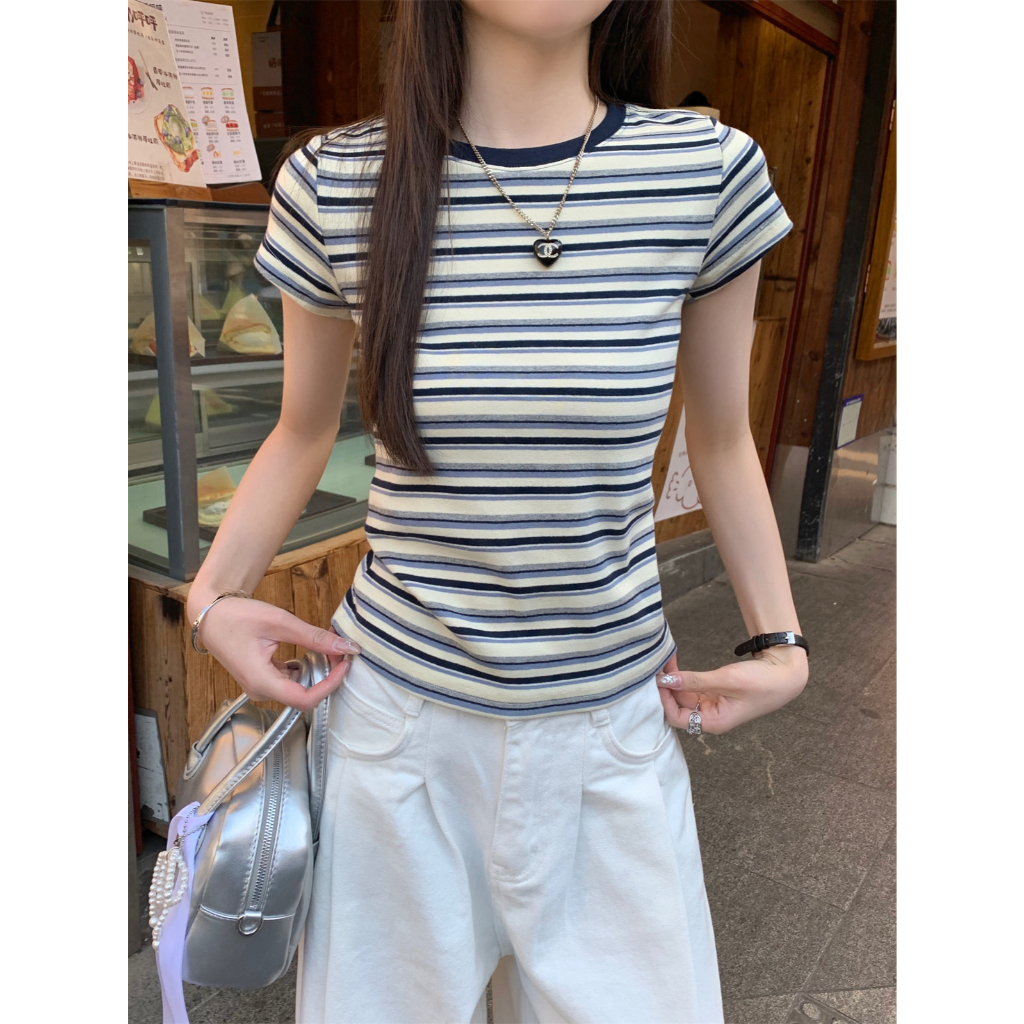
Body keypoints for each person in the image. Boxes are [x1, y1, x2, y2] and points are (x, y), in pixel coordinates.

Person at [186, 2, 808, 1021]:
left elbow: (723, 438)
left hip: (612, 731)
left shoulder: (705, 173)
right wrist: (211, 598)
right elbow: (301, 430)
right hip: (395, 739)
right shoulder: (338, 181)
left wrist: (779, 640)